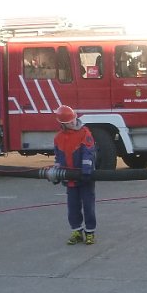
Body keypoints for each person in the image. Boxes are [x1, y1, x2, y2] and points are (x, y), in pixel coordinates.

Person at [53, 105, 97, 245]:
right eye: (69, 122)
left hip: (85, 178)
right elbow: (58, 157)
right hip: (70, 178)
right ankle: (77, 231)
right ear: (62, 124)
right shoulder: (58, 138)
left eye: (73, 120)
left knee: (88, 206)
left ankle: (90, 232)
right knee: (72, 207)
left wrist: (85, 172)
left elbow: (88, 153)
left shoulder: (85, 133)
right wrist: (57, 172)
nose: (73, 123)